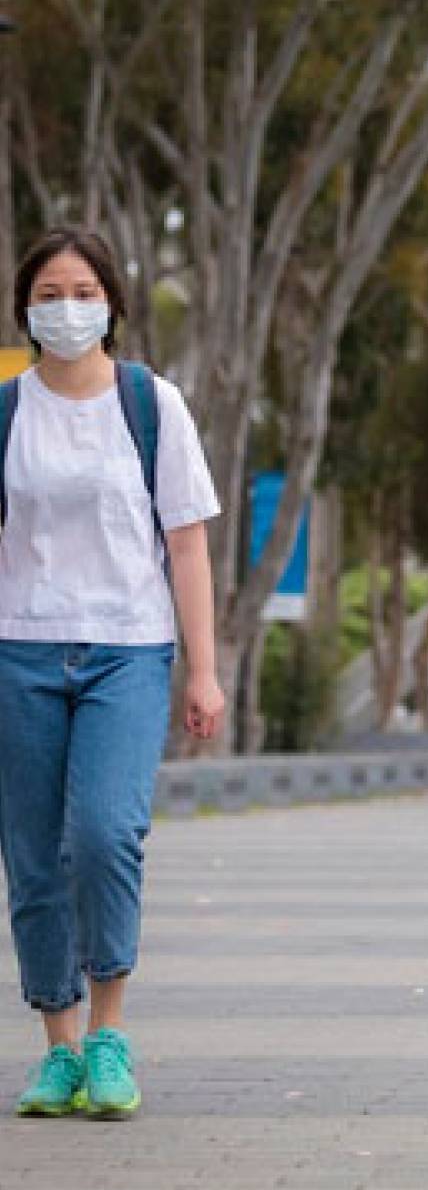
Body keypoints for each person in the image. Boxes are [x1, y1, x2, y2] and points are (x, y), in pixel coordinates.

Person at [0, 226, 224, 1119]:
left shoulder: (151, 403)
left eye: (83, 292)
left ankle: (109, 1031)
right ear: (25, 307)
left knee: (103, 833)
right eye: (49, 293)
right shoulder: (7, 411)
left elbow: (188, 542)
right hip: (18, 647)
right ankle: (58, 1048)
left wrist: (203, 672)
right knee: (32, 856)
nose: (66, 308)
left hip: (128, 649)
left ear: (113, 305)